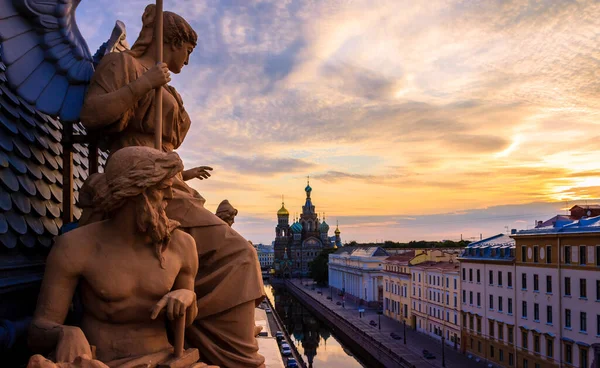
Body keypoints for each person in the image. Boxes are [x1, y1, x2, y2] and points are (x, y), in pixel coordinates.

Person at [80, 5, 265, 368]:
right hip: (139, 183)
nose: (188, 61)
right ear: (171, 41)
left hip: (169, 182)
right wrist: (143, 84)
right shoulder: (123, 66)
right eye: (187, 51)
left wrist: (184, 173)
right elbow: (92, 115)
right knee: (240, 255)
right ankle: (236, 355)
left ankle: (201, 327)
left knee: (221, 253)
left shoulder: (166, 83)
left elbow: (163, 148)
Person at [27, 147, 200, 367]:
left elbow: (182, 328)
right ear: (135, 193)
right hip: (102, 362)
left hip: (165, 360)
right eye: (162, 188)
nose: (170, 196)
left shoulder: (183, 245)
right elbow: (37, 331)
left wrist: (188, 298)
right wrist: (64, 332)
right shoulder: (75, 246)